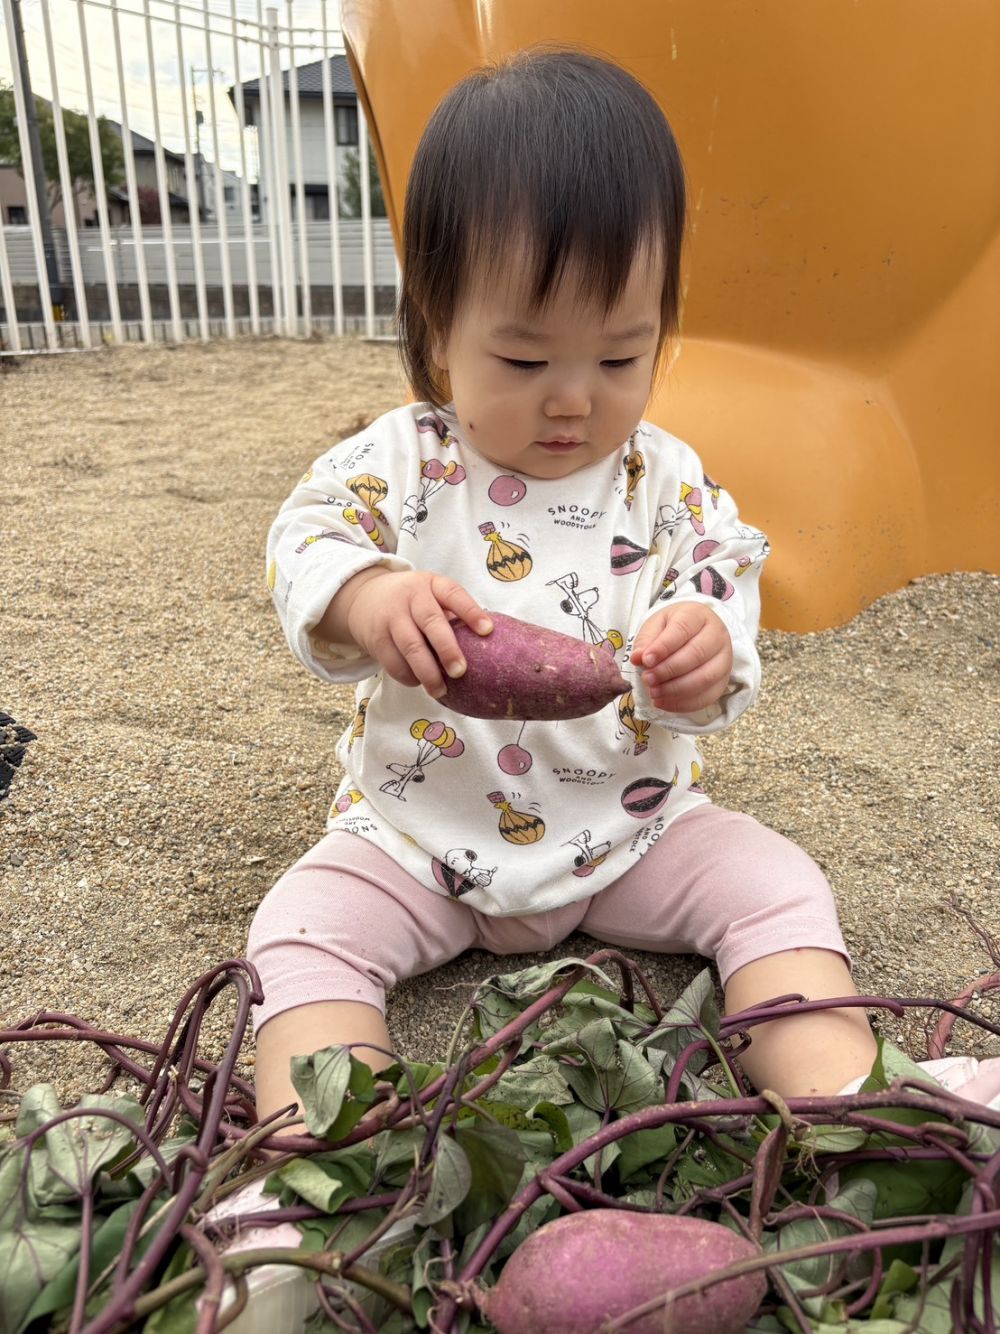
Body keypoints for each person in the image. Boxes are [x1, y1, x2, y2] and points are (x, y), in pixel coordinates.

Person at [248, 45, 883, 1134]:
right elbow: (301, 535)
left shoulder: (666, 478)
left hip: (631, 828)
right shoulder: (408, 459)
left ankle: (846, 1100)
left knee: (775, 884)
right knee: (299, 932)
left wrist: (706, 646)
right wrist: (365, 595)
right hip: (416, 836)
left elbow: (723, 577)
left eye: (622, 357)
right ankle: (326, 1153)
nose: (574, 403)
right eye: (527, 361)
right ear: (439, 327)